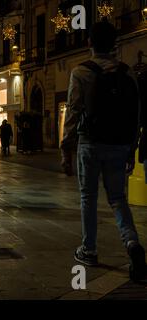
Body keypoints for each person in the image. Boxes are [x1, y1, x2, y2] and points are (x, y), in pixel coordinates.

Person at [60, 21, 147, 281]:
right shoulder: (128, 73)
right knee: (118, 198)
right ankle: (132, 243)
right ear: (114, 45)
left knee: (88, 197)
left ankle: (89, 249)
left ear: (89, 43)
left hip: (90, 143)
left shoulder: (81, 72)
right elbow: (137, 115)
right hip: (119, 144)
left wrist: (66, 148)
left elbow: (73, 112)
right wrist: (131, 148)